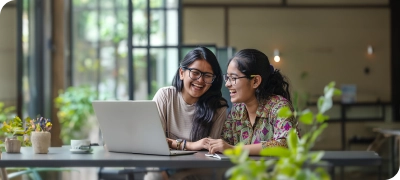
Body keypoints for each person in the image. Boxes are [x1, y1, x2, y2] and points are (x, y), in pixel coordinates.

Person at [207, 48, 299, 156]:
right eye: (227, 77)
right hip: (245, 172)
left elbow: (285, 144)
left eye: (233, 78)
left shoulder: (280, 107)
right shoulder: (238, 109)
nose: (227, 84)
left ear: (255, 81)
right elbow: (226, 141)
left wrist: (234, 149)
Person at [152, 46, 228, 150]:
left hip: (199, 165)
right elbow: (154, 140)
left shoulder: (218, 107)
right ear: (182, 73)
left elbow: (210, 149)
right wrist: (189, 145)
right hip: (164, 165)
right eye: (195, 73)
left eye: (207, 75)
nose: (200, 80)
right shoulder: (165, 96)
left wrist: (171, 143)